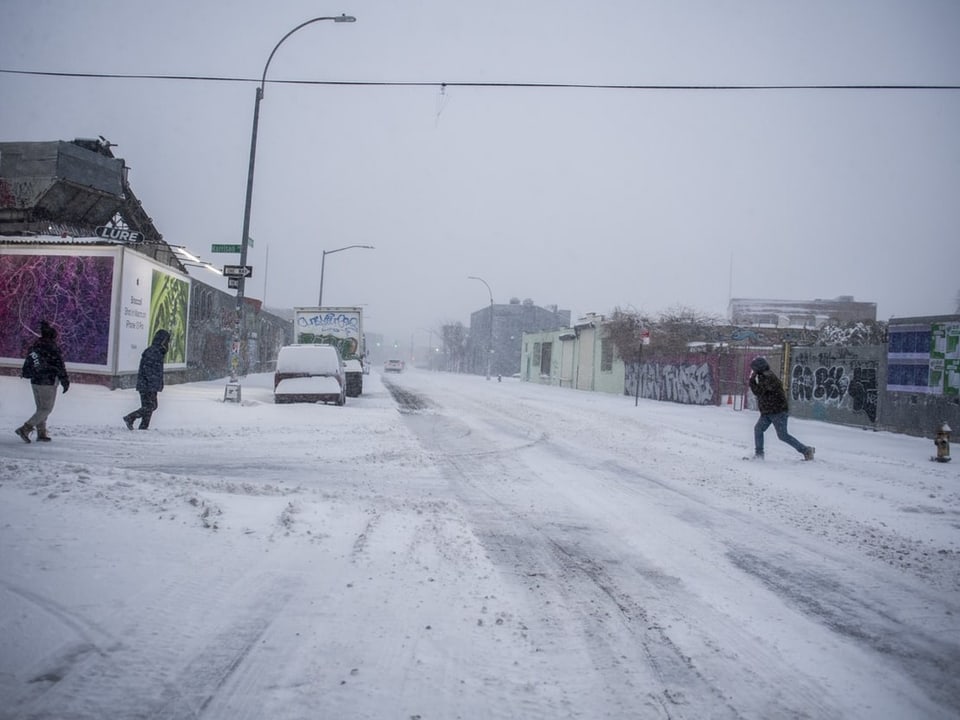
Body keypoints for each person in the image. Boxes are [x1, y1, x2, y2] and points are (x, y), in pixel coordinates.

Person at [748, 356, 815, 461]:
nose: (753, 371)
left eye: (754, 369)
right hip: (768, 412)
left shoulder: (769, 377)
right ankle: (759, 454)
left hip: (778, 412)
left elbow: (758, 392)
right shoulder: (764, 376)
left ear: (758, 368)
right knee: (758, 429)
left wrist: (752, 380)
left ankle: (806, 450)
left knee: (783, 435)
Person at [15, 320, 70, 443]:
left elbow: (30, 361)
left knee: (40, 408)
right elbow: (60, 365)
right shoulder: (52, 348)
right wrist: (65, 380)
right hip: (47, 381)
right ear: (52, 336)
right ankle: (25, 428)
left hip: (35, 380)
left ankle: (41, 432)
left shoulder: (35, 345)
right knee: (46, 409)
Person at [123, 329, 170, 430]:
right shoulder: (154, 351)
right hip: (147, 385)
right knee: (151, 406)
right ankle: (131, 417)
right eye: (167, 341)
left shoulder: (156, 351)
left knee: (150, 406)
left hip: (148, 384)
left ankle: (143, 426)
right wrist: (152, 384)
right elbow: (149, 370)